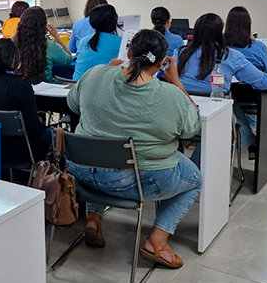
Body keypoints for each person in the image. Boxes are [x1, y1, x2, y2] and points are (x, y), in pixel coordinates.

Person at [66, 30, 201, 268]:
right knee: (195, 179)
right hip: (134, 181)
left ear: (128, 52)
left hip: (82, 172)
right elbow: (191, 128)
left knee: (102, 146)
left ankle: (93, 218)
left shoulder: (96, 73)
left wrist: (103, 72)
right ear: (162, 63)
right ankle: (157, 240)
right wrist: (177, 82)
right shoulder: (170, 95)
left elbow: (73, 104)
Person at [175, 13, 267, 147]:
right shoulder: (230, 55)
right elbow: (265, 83)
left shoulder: (180, 53)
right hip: (216, 112)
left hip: (181, 113)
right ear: (219, 33)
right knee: (243, 130)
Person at [0, 38, 50, 161]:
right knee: (55, 135)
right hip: (22, 150)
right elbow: (34, 129)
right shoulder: (21, 86)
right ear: (14, 60)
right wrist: (40, 124)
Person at [14, 6, 72, 84]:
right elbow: (68, 59)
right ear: (43, 24)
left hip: (19, 85)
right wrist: (56, 36)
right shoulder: (49, 45)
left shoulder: (13, 41)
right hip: (45, 86)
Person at [72, 4, 122, 80]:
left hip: (77, 85)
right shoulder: (121, 42)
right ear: (114, 21)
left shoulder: (84, 41)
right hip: (101, 88)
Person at [223, 6, 267, 75]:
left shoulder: (221, 48)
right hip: (253, 84)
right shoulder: (258, 46)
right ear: (248, 24)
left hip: (226, 84)